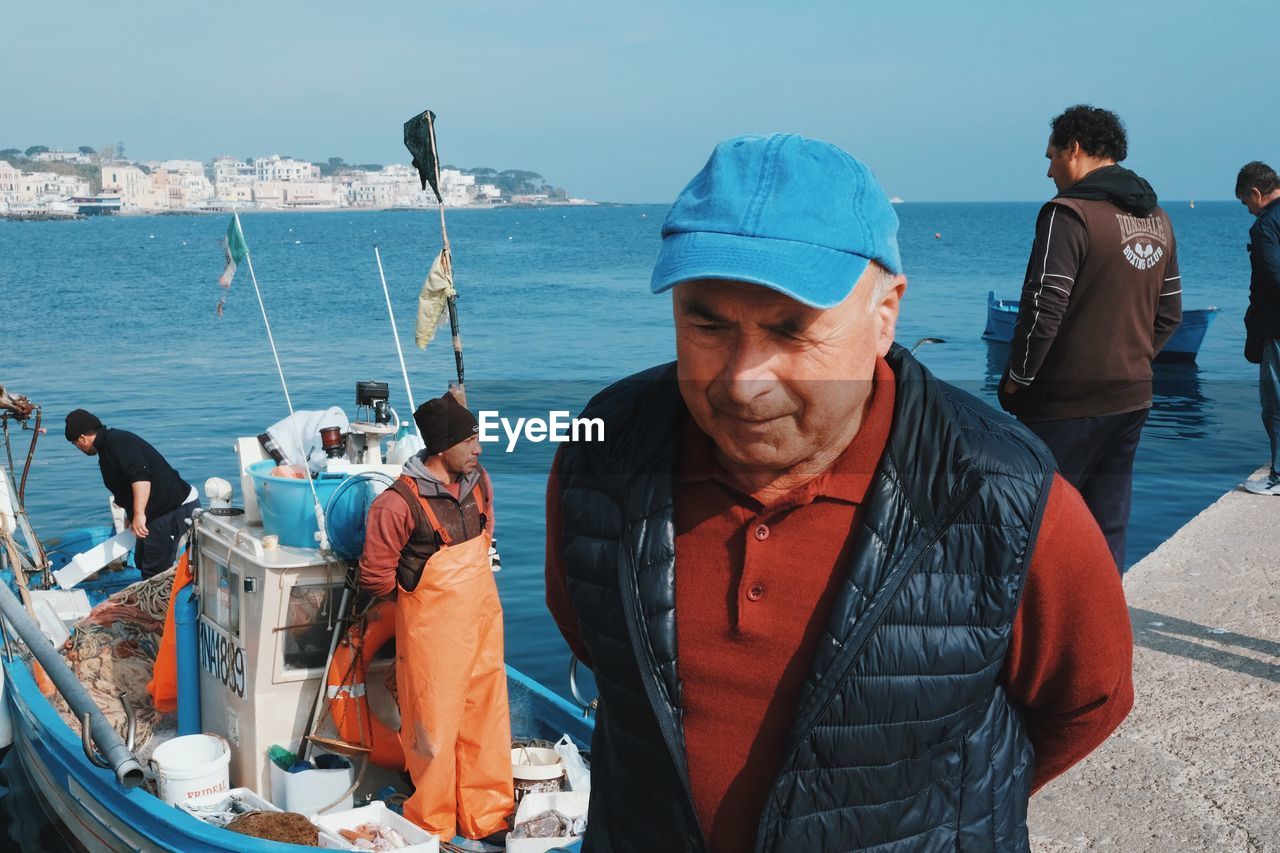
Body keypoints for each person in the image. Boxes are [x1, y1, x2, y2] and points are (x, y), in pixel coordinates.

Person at [544, 134, 1134, 852]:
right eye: (706, 323)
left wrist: (931, 811)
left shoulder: (1002, 493)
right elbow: (592, 631)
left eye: (791, 330)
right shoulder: (604, 452)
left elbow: (1088, 698)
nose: (742, 379)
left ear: (886, 314)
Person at [999, 104, 1181, 570]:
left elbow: (1043, 307)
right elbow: (1169, 313)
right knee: (1108, 521)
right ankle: (1102, 630)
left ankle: (1045, 635)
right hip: (1132, 396)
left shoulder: (1068, 214)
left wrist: (1019, 376)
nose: (1048, 170)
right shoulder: (1157, 218)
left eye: (1052, 156)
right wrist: (1134, 362)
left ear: (1074, 149)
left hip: (1065, 404)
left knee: (1040, 523)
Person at [357, 391, 512, 845]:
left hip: (483, 624)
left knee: (487, 719)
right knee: (434, 731)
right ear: (442, 447)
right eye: (470, 440)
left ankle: (488, 817)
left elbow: (488, 534)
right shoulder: (396, 504)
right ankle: (433, 827)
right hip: (432, 635)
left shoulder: (479, 482)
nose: (479, 448)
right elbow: (375, 576)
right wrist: (418, 615)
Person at [65, 409, 199, 579]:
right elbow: (125, 484)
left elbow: (141, 477)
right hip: (154, 511)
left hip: (172, 508)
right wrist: (131, 515)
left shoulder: (118, 442)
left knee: (155, 567)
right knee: (142, 559)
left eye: (75, 444)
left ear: (82, 438)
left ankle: (159, 603)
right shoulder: (106, 449)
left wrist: (139, 514)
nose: (79, 449)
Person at [1235, 161, 1280, 495]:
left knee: (1275, 399)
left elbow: (1273, 276)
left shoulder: (1265, 226)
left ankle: (1277, 475)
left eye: (1245, 202)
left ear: (1255, 192)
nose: (1248, 209)